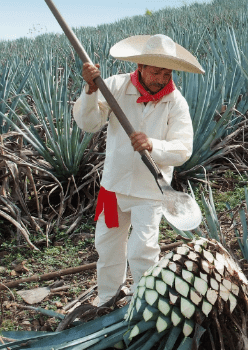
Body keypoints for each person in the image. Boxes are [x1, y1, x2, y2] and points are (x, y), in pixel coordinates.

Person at [74, 34, 204, 306]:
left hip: (151, 191)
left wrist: (152, 145)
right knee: (107, 245)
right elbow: (89, 123)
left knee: (142, 249)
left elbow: (183, 149)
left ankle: (146, 301)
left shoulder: (176, 102)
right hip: (112, 188)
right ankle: (108, 298)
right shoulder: (116, 87)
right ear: (141, 67)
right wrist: (89, 90)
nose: (160, 79)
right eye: (155, 71)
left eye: (166, 73)